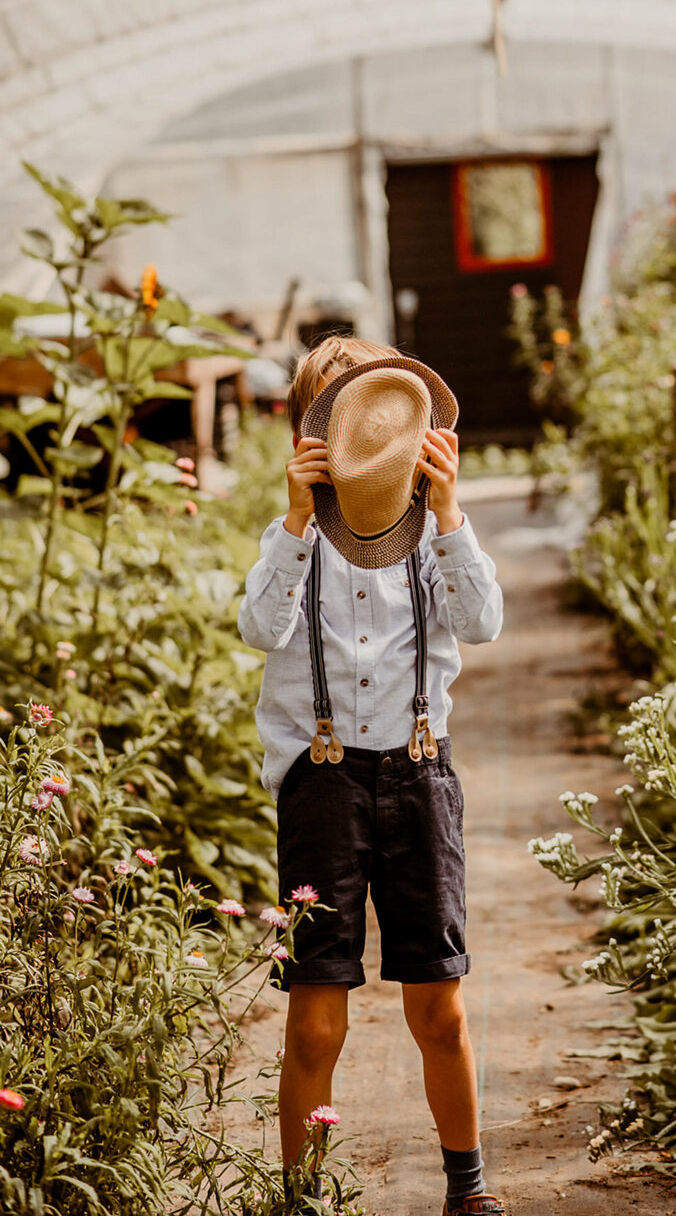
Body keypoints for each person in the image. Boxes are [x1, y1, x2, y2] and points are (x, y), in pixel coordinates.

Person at [237, 335, 506, 1216]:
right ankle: (301, 1198)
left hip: (419, 780)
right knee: (315, 1019)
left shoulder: (434, 535)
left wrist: (453, 511)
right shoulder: (294, 540)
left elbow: (485, 620)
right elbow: (259, 629)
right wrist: (293, 523)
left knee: (441, 1006)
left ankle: (466, 1190)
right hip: (321, 789)